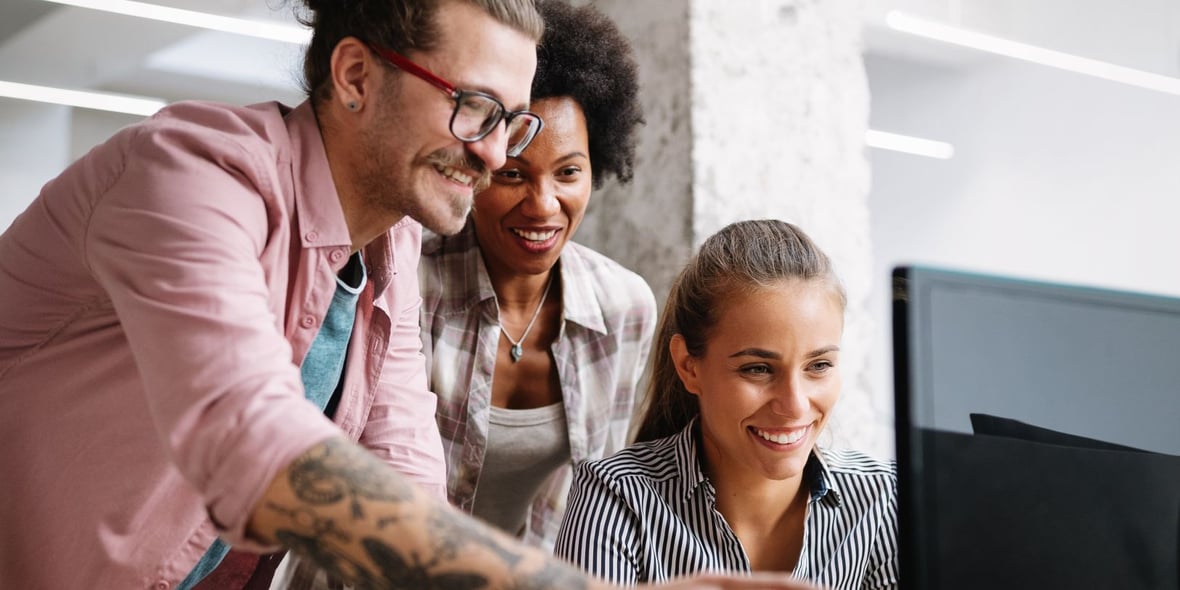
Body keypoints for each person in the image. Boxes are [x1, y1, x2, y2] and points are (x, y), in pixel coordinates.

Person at [0, 0, 821, 586]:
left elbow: (407, 482)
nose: (499, 156)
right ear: (356, 75)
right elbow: (249, 444)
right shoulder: (189, 173)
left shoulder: (388, 248)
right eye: (474, 109)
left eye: (514, 123)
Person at [419, 0, 656, 549]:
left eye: (568, 172)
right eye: (514, 174)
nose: (543, 205)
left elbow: (599, 501)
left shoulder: (624, 308)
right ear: (476, 163)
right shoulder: (411, 282)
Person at [554, 219, 900, 589]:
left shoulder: (885, 501)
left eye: (819, 366)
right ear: (689, 367)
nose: (795, 405)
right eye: (758, 369)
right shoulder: (616, 497)